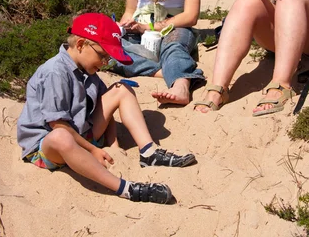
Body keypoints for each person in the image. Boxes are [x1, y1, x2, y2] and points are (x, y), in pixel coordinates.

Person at [17, 13, 196, 205]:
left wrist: (113, 145)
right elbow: (57, 125)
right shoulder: (55, 72)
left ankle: (149, 152)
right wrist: (93, 150)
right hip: (49, 146)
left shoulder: (88, 68)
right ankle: (125, 188)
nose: (104, 63)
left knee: (121, 89)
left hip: (82, 134)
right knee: (61, 136)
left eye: (108, 58)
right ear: (80, 44)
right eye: (102, 56)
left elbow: (105, 110)